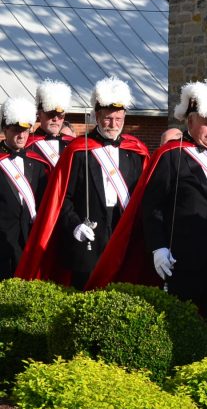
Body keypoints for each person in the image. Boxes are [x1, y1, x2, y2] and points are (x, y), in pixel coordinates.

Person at [88, 80, 207, 359]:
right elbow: (152, 208)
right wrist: (158, 247)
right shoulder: (171, 156)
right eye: (206, 122)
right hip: (185, 260)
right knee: (184, 331)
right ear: (189, 119)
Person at [17, 76, 149, 289]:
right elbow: (63, 198)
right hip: (88, 240)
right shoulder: (79, 150)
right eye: (107, 118)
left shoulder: (135, 152)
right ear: (97, 115)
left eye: (118, 118)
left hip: (123, 236)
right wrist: (75, 225)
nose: (113, 124)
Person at [0, 97, 51, 278]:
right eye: (16, 130)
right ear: (5, 129)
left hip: (30, 238)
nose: (21, 136)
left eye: (25, 130)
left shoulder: (37, 163)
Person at [26, 80, 74, 168]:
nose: (55, 119)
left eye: (60, 115)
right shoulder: (27, 144)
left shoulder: (71, 144)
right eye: (50, 114)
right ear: (40, 114)